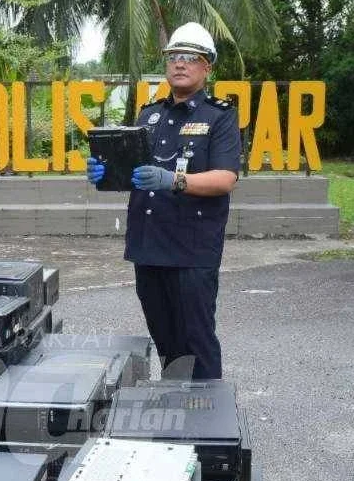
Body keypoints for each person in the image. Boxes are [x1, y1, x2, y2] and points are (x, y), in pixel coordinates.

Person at [86, 22, 241, 379]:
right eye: (174, 56)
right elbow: (133, 173)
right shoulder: (149, 114)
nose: (180, 64)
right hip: (149, 246)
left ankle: (207, 426)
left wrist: (175, 180)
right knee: (166, 341)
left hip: (191, 250)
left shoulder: (218, 116)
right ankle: (176, 410)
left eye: (190, 57)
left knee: (197, 341)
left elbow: (225, 178)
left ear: (207, 67)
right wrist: (104, 172)